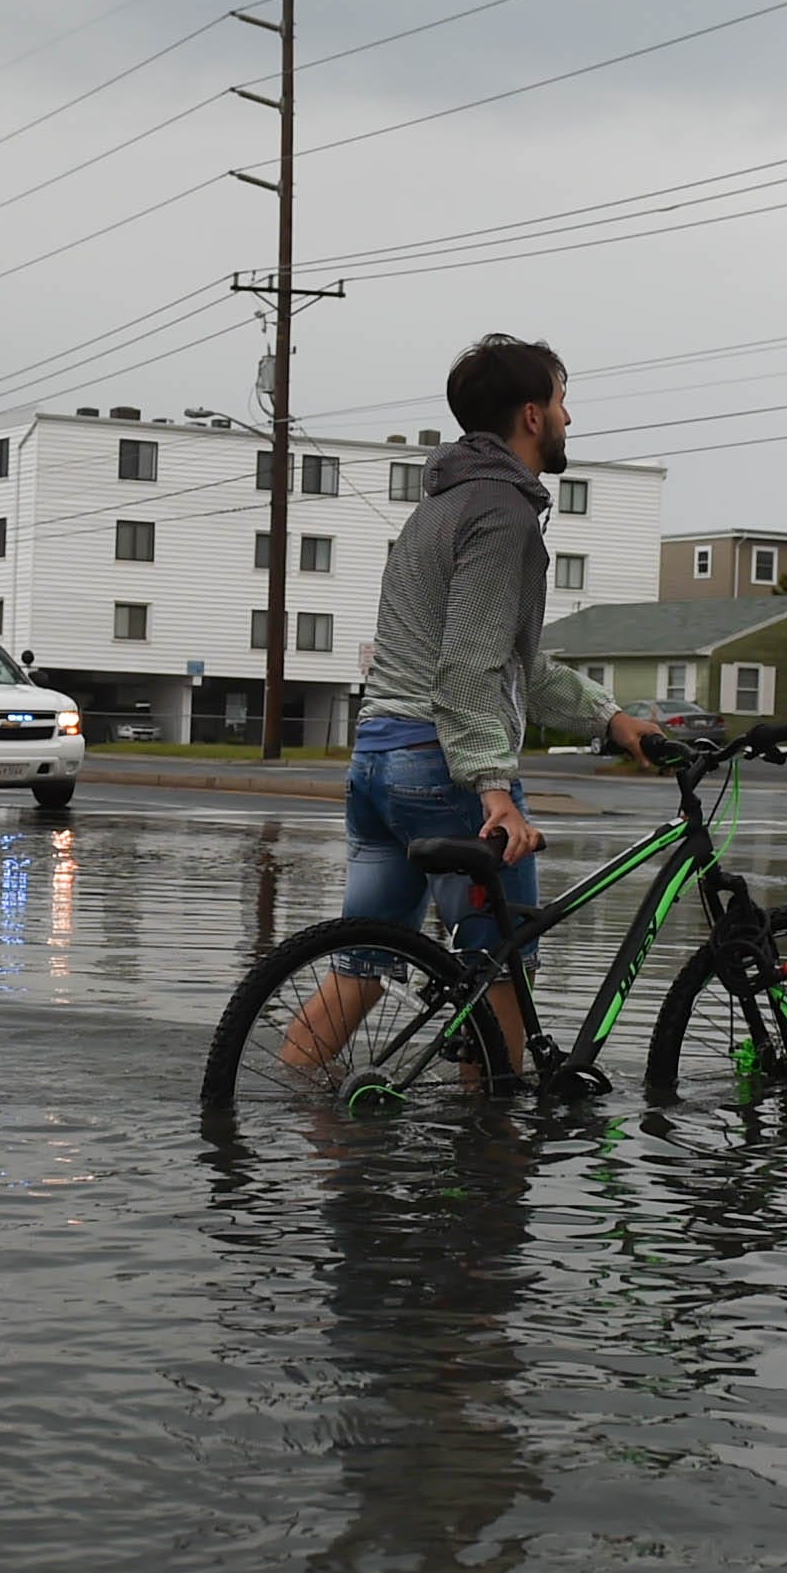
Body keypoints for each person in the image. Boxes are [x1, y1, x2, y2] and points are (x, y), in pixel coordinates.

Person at [288, 334, 649, 1085]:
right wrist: (494, 793)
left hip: (379, 764)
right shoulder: (503, 518)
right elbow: (470, 669)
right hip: (444, 769)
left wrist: (610, 720)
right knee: (502, 971)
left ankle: (260, 1110)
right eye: (559, 401)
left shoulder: (438, 511)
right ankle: (491, 1164)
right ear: (529, 415)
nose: (568, 417)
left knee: (364, 965)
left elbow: (509, 660)